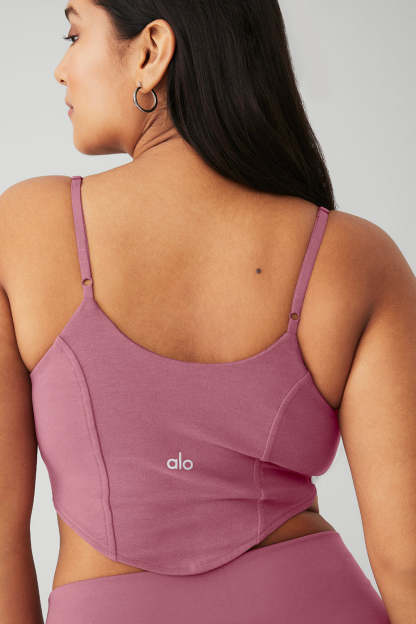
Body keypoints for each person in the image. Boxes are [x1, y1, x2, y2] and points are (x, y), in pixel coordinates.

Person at [0, 1, 414, 622]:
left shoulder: (26, 228)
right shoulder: (353, 256)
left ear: (151, 51)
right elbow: (408, 562)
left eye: (74, 33)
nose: (62, 68)